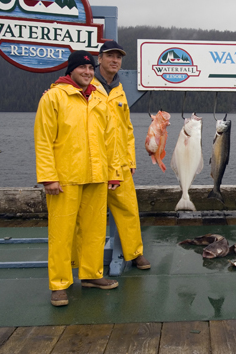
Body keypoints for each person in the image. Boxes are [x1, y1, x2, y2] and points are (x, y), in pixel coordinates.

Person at [34, 51, 121, 307]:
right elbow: (43, 140)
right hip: (65, 178)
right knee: (61, 234)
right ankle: (59, 284)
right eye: (82, 68)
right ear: (70, 70)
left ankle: (91, 275)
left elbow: (110, 140)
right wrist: (48, 177)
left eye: (91, 68)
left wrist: (113, 172)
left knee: (94, 232)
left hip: (96, 176)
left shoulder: (99, 99)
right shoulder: (53, 98)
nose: (88, 72)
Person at [92, 40, 150, 270]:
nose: (115, 61)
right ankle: (91, 261)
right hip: (95, 162)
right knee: (93, 215)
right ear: (100, 59)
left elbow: (126, 129)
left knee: (129, 209)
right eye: (110, 56)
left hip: (121, 164)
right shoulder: (87, 85)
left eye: (118, 57)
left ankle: (135, 253)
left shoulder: (119, 91)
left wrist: (131, 159)